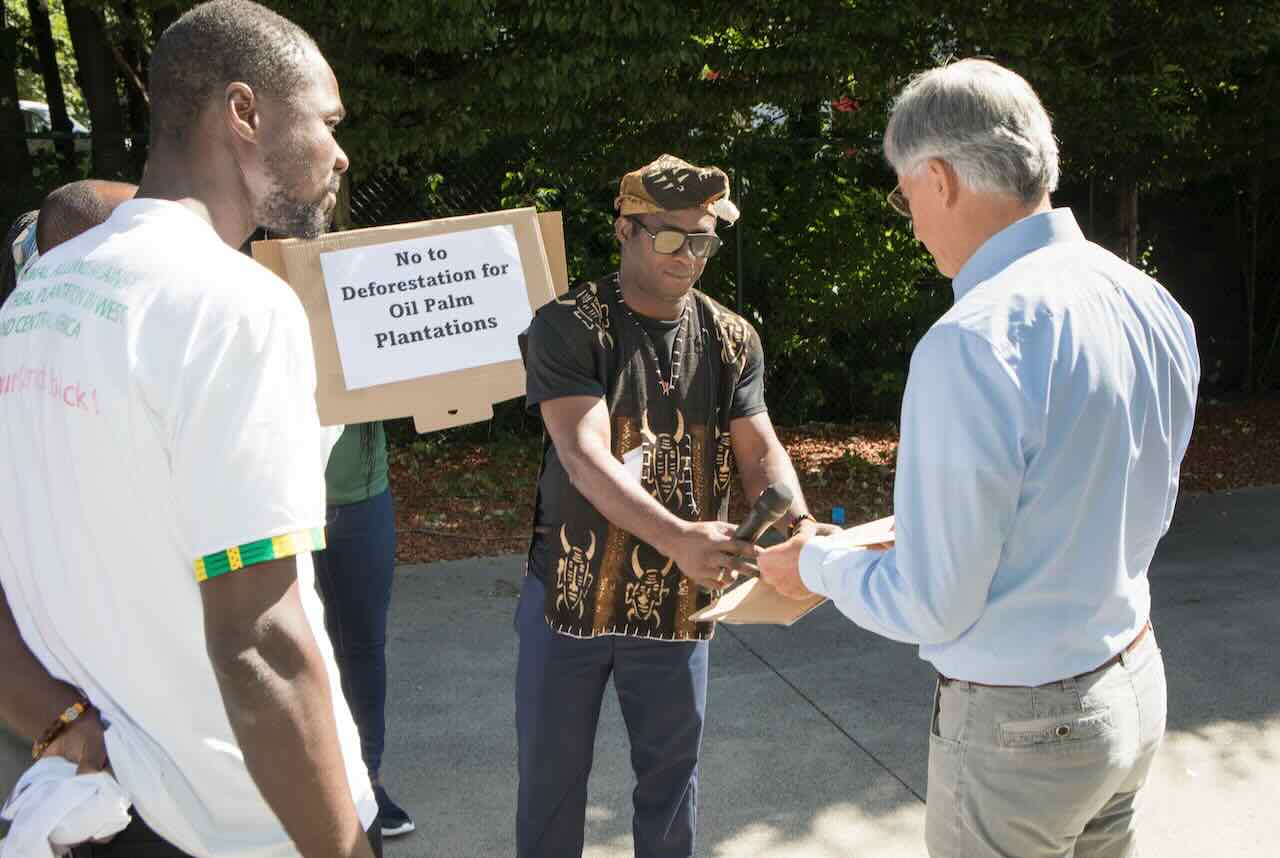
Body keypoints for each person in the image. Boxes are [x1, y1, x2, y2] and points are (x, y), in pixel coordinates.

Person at [759, 59, 1200, 858]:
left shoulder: (973, 340)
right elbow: (1127, 506)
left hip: (1025, 726)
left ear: (940, 179)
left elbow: (931, 604)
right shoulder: (1147, 299)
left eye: (905, 195)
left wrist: (816, 565)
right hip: (1130, 682)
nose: (913, 222)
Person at [0, 1, 380, 856]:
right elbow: (259, 640)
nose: (340, 152)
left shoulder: (38, 300)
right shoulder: (232, 306)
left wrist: (58, 718)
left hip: (99, 808)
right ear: (245, 112)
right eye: (327, 120)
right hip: (243, 822)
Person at [517, 153, 832, 858]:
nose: (690, 256)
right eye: (670, 237)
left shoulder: (731, 336)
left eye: (704, 238)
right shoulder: (569, 326)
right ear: (624, 229)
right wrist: (680, 534)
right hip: (572, 598)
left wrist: (803, 528)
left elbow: (760, 452)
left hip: (675, 605)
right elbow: (582, 453)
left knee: (671, 788)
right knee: (551, 788)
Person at [314, 422, 415, 837]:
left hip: (358, 493)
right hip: (268, 493)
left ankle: (365, 782)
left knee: (363, 645)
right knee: (274, 643)